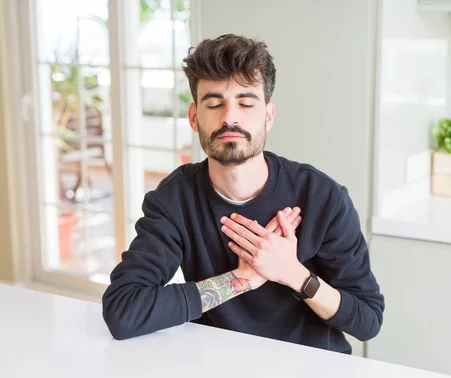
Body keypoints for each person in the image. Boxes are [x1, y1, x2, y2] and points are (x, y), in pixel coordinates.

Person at [102, 34, 384, 354]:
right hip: (219, 370)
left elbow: (368, 321)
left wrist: (292, 273)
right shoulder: (175, 199)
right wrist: (243, 278)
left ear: (268, 115)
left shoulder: (323, 198)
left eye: (246, 103)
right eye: (214, 103)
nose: (229, 117)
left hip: (311, 375)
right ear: (194, 117)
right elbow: (123, 312)